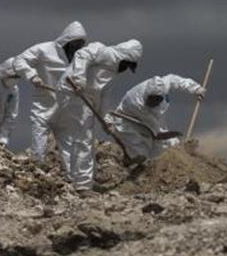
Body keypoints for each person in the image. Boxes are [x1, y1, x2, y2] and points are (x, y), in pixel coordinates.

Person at [57, 39, 143, 192]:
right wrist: (79, 79)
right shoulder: (103, 51)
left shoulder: (111, 76)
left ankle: (85, 181)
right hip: (72, 92)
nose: (125, 69)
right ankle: (82, 186)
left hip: (83, 98)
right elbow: (82, 54)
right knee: (84, 138)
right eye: (127, 64)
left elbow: (104, 98)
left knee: (86, 139)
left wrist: (107, 121)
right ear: (123, 57)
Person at [13, 21, 88, 159]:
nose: (76, 48)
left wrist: (81, 87)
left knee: (67, 143)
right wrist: (32, 76)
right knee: (39, 134)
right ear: (67, 40)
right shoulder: (44, 49)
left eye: (80, 45)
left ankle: (71, 176)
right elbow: (19, 61)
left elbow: (86, 76)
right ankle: (37, 166)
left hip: (67, 105)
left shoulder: (80, 57)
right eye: (74, 44)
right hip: (45, 101)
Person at [111, 74, 205, 161]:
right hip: (128, 121)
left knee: (166, 149)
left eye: (157, 99)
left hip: (151, 120)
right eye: (151, 99)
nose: (154, 102)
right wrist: (173, 137)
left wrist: (196, 88)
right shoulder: (137, 104)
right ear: (147, 95)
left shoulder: (162, 85)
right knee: (140, 152)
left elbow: (174, 80)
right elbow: (156, 134)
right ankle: (130, 163)